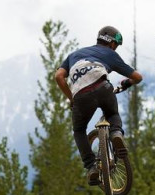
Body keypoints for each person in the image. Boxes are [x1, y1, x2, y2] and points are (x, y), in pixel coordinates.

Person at [55, 26, 143, 186]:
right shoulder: (110, 54)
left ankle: (91, 168)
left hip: (81, 95)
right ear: (111, 43)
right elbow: (137, 77)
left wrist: (71, 98)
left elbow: (59, 76)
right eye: (116, 45)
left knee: (79, 130)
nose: (115, 48)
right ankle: (116, 133)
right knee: (112, 114)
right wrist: (127, 83)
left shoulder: (73, 55)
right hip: (103, 86)